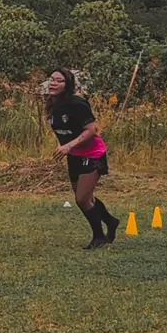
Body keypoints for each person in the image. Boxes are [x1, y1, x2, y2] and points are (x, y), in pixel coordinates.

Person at [46, 68, 119, 249]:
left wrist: (68, 145)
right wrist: (64, 146)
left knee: (82, 199)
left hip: (93, 154)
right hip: (74, 155)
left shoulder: (77, 103)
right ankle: (110, 221)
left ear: (68, 85)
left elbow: (91, 130)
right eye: (52, 79)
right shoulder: (53, 104)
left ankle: (99, 237)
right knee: (86, 197)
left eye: (59, 80)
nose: (53, 83)